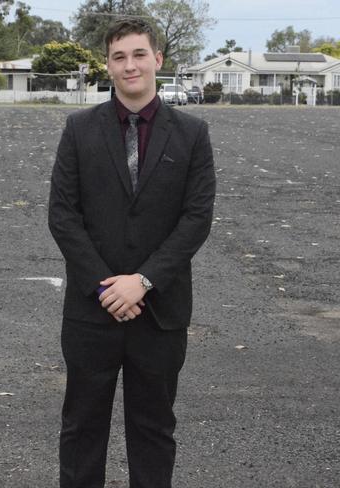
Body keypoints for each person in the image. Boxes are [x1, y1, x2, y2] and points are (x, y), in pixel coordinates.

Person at [48, 17, 216, 488]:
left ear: (158, 59)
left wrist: (142, 281)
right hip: (91, 310)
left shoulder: (192, 133)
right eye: (119, 57)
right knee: (81, 430)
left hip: (160, 311)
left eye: (139, 54)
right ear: (108, 64)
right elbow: (63, 215)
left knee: (154, 431)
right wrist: (107, 285)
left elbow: (195, 220)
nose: (130, 66)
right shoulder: (79, 129)